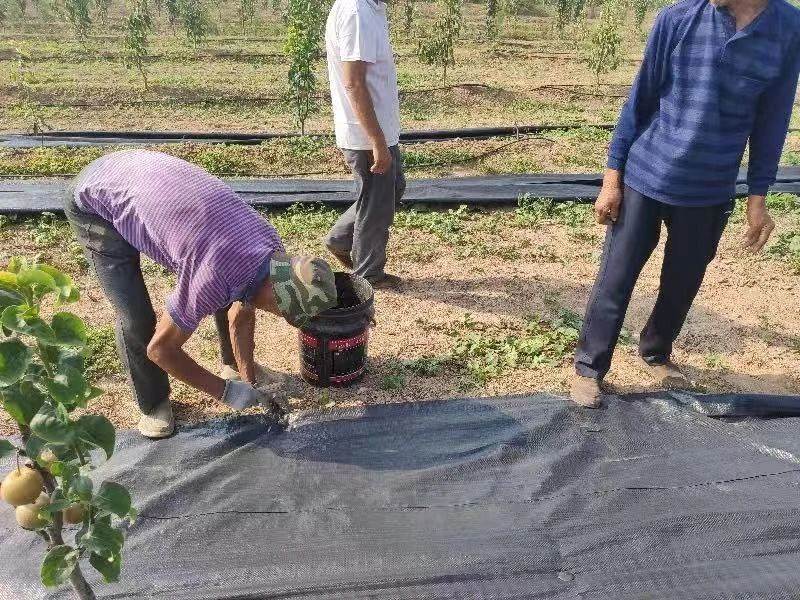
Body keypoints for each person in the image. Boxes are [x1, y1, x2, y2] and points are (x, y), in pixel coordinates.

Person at [571, 0, 800, 408]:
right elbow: (639, 102)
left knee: (683, 279)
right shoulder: (678, 19)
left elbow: (773, 119)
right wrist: (612, 178)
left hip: (711, 186)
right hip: (648, 173)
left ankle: (655, 352)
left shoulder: (788, 28)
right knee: (617, 275)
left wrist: (757, 197)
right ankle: (590, 368)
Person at [65, 149, 338, 438]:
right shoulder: (211, 277)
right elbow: (160, 350)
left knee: (235, 288)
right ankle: (152, 403)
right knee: (136, 315)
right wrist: (226, 393)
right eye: (284, 311)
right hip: (96, 197)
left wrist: (247, 378)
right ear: (277, 293)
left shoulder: (271, 249)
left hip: (144, 177)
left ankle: (230, 365)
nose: (279, 316)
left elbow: (242, 314)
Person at [323, 0, 406, 289]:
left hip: (379, 128)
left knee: (391, 189)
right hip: (368, 133)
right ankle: (369, 273)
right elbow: (354, 82)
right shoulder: (357, 11)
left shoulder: (369, 8)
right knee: (377, 203)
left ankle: (341, 239)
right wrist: (376, 141)